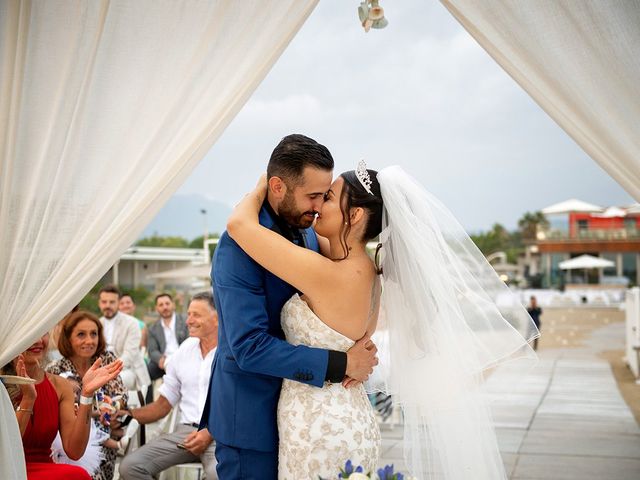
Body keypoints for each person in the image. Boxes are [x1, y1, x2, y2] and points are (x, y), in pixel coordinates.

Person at [228, 161, 539, 479]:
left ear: (357, 214)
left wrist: (265, 184)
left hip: (319, 427)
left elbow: (239, 226)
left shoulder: (331, 274)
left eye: (330, 198)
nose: (319, 205)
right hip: (346, 416)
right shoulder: (363, 271)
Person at [200, 134, 379, 479]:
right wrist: (342, 361)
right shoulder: (238, 246)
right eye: (313, 195)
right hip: (251, 420)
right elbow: (248, 346)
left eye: (326, 196)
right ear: (278, 187)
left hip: (308, 420)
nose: (318, 206)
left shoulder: (310, 234)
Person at [118, 292, 218, 480]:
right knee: (130, 466)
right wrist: (128, 415)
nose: (188, 321)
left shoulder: (233, 353)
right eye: (188, 314)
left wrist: (211, 432)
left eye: (196, 315)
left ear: (217, 318)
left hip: (221, 436)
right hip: (186, 434)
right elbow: (163, 405)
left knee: (217, 475)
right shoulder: (185, 350)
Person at [4, 332, 123, 480]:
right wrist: (28, 399)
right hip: (8, 469)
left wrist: (86, 394)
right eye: (31, 332)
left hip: (45, 468)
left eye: (43, 332)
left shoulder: (59, 385)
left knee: (78, 475)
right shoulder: (2, 383)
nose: (39, 340)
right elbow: (5, 448)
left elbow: (75, 451)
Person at [47, 311, 129, 480]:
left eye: (94, 334)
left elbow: (121, 394)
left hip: (104, 435)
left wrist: (113, 407)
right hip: (68, 441)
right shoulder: (55, 370)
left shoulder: (106, 359)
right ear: (68, 338)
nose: (89, 341)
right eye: (81, 335)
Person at [98, 285, 150, 390]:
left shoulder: (132, 323)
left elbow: (129, 355)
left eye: (112, 302)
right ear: (99, 303)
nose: (107, 305)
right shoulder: (97, 323)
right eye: (104, 302)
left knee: (112, 381)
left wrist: (109, 371)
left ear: (118, 303)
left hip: (129, 370)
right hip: (102, 371)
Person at [146, 293, 188, 381]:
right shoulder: (152, 328)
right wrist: (160, 359)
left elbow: (190, 341)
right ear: (156, 308)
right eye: (161, 305)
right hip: (164, 361)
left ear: (173, 305)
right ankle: (148, 395)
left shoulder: (185, 321)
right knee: (146, 373)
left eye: (167, 303)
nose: (165, 307)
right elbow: (152, 350)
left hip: (183, 359)